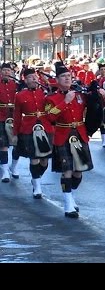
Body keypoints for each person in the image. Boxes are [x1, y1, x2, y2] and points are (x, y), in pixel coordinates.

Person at [45, 61, 105, 218]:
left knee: (79, 172)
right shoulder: (51, 98)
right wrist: (65, 102)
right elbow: (50, 116)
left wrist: (99, 94)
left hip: (79, 134)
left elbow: (94, 106)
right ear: (57, 80)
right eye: (63, 77)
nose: (67, 79)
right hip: (62, 134)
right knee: (67, 171)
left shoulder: (80, 94)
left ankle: (71, 195)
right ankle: (68, 203)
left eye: (68, 76)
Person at [12, 68, 54, 199]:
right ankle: (37, 186)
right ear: (25, 79)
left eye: (35, 77)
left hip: (45, 127)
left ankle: (37, 177)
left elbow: (52, 108)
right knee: (34, 158)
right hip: (28, 128)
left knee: (45, 160)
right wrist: (15, 133)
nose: (34, 79)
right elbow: (17, 116)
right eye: (30, 77)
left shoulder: (45, 92)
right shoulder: (19, 95)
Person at [0, 63, 21, 182]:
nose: (7, 72)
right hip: (1, 116)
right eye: (4, 70)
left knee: (16, 143)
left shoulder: (15, 84)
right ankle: (5, 171)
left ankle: (14, 167)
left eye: (9, 70)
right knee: (3, 144)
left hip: (13, 116)